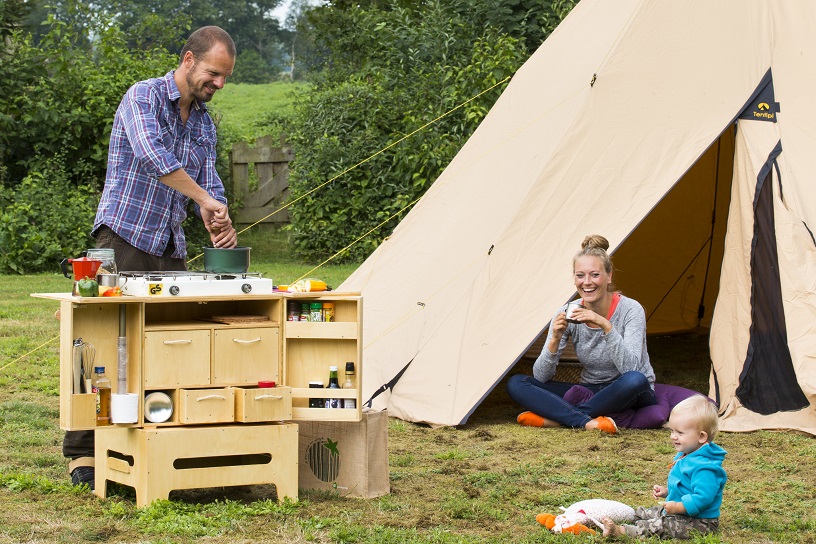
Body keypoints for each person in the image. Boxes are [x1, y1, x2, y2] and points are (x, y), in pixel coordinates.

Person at [64, 26, 239, 489]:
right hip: (121, 235)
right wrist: (204, 198)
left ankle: (157, 444)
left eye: (224, 78)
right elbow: (153, 157)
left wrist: (218, 216)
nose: (218, 84)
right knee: (100, 347)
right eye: (212, 73)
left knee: (170, 347)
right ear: (187, 60)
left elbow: (209, 179)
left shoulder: (203, 122)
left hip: (168, 245)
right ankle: (84, 455)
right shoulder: (142, 97)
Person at [506, 234, 656, 434]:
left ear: (609, 276)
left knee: (635, 379)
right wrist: (555, 339)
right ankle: (585, 421)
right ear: (574, 278)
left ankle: (560, 418)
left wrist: (605, 326)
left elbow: (631, 368)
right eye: (580, 275)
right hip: (590, 391)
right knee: (517, 382)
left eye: (595, 275)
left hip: (629, 389)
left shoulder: (631, 310)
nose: (587, 282)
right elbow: (541, 377)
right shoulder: (567, 312)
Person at [602, 395, 727, 539]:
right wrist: (667, 491)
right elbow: (686, 487)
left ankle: (622, 532)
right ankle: (627, 517)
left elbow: (703, 498)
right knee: (649, 512)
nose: (673, 436)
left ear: (701, 437)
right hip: (678, 511)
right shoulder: (686, 455)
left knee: (661, 527)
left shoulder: (705, 468)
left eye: (680, 433)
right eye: (672, 431)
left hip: (699, 521)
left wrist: (677, 507)